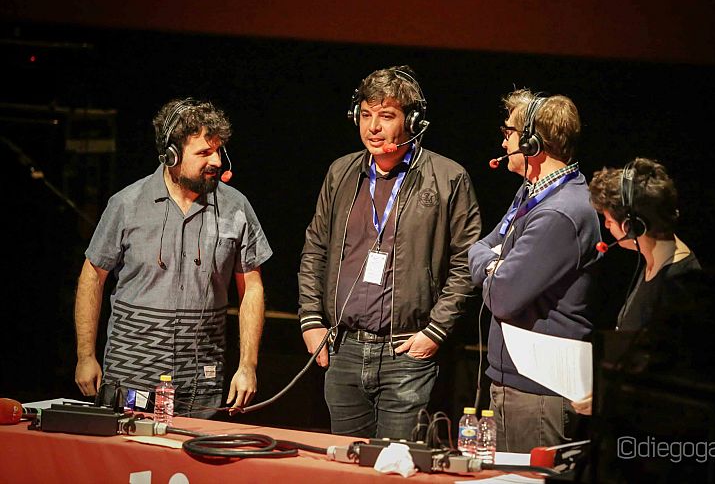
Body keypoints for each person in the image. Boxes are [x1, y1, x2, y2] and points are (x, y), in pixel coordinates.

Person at [298, 66, 482, 439]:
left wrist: (435, 331)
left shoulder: (449, 178)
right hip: (344, 350)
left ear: (412, 121)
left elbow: (467, 263)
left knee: (395, 469)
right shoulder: (340, 172)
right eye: (366, 115)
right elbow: (314, 249)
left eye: (386, 116)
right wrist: (311, 320)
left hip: (407, 355)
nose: (373, 127)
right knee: (345, 471)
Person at [74, 98, 272, 418]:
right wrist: (85, 355)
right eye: (204, 153)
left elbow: (252, 287)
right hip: (131, 379)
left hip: (200, 384)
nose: (217, 161)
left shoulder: (236, 207)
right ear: (171, 155)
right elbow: (92, 277)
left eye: (219, 150)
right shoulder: (126, 204)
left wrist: (247, 366)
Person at [468, 89, 601, 452]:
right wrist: (493, 264)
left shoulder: (560, 213)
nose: (503, 139)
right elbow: (478, 249)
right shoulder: (534, 193)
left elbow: (502, 296)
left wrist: (492, 268)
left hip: (537, 392)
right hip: (518, 384)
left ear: (531, 143)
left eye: (508, 132)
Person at [571, 157, 702, 416]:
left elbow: (669, 381)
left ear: (632, 226)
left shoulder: (678, 284)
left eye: (609, 221)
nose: (607, 227)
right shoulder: (653, 262)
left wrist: (608, 395)